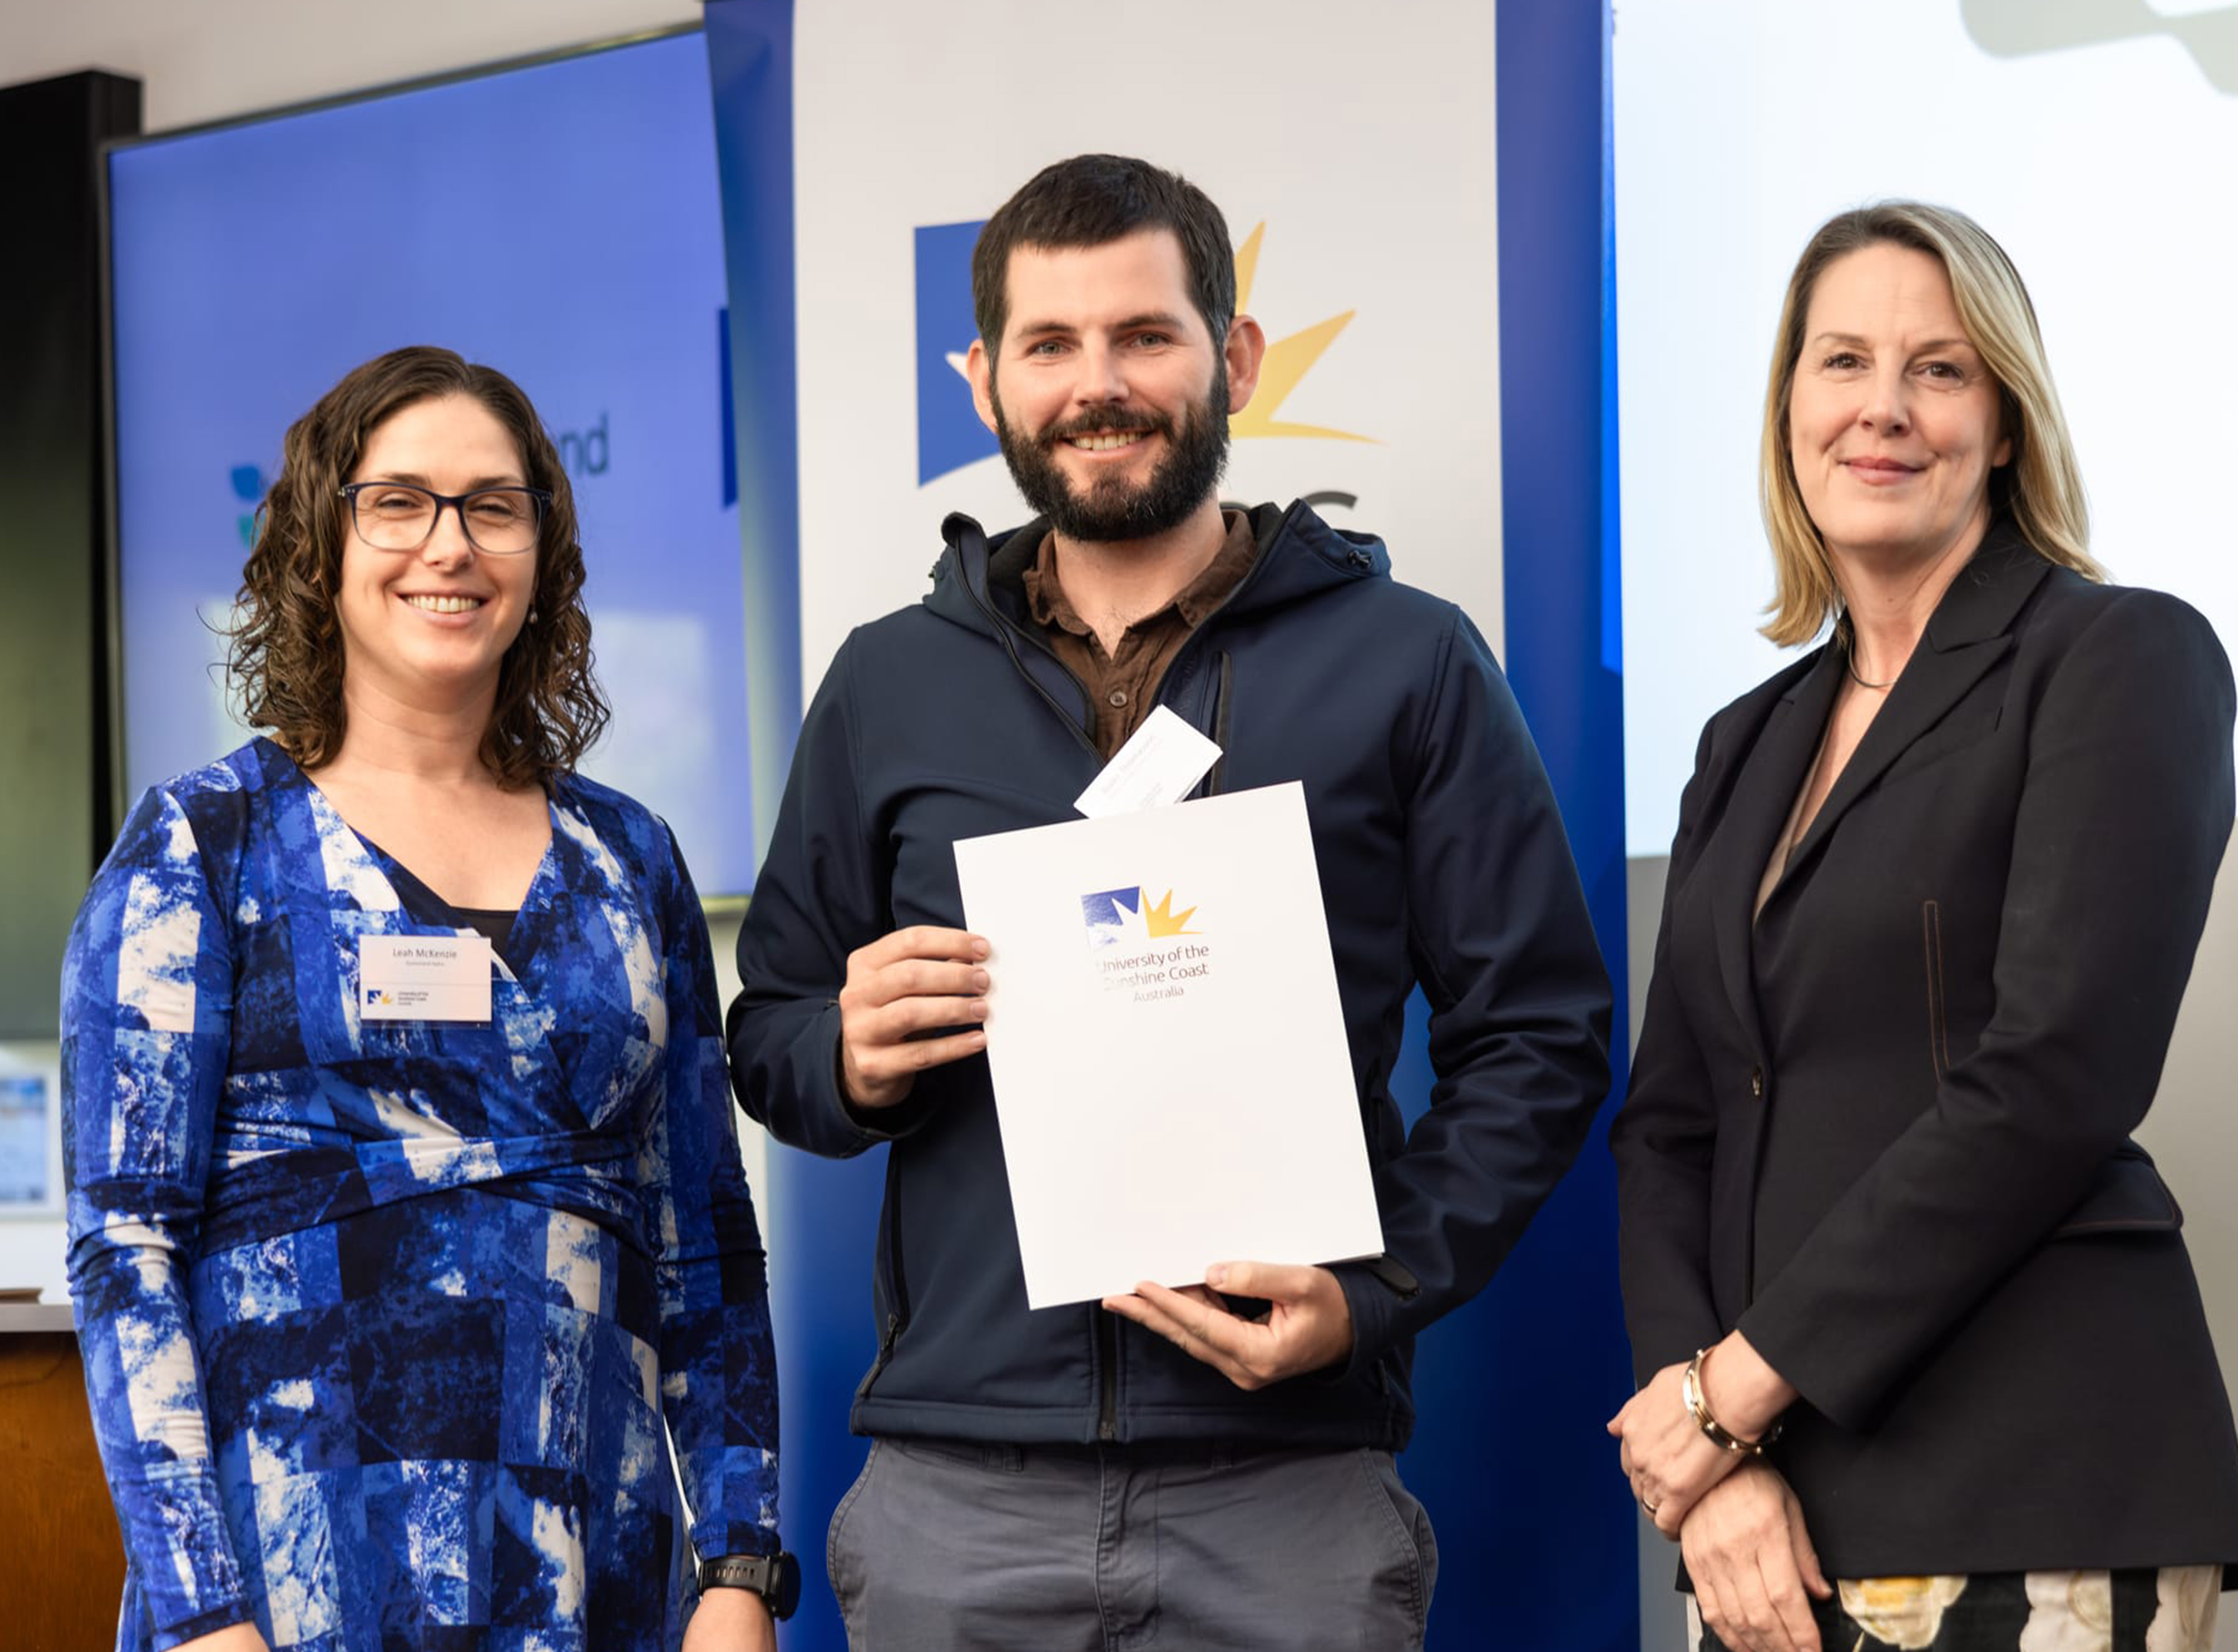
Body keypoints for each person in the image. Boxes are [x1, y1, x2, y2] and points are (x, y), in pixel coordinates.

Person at [728, 153, 1612, 1650]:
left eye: (1145, 336)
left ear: (1235, 358)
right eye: (1050, 345)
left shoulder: (1409, 660)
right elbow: (774, 1031)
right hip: (959, 1488)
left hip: (1289, 1494)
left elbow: (1540, 1032)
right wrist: (847, 1058)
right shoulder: (889, 680)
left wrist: (1378, 1286)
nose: (1100, 385)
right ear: (983, 379)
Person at [62, 347, 792, 1652]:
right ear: (320, 546)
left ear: (542, 555)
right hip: (286, 1579)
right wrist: (199, 1613)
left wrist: (739, 1569)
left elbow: (709, 1248)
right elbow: (127, 1256)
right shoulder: (203, 845)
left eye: (492, 506)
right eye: (398, 501)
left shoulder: (631, 861)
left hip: (591, 1563)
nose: (447, 546)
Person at [1607, 202, 2238, 1652]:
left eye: (1940, 370)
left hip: (2037, 1500)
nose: (1882, 409)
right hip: (1764, 1530)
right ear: (1788, 410)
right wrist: (1711, 1468)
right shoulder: (1742, 741)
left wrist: (1730, 1396)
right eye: (1843, 362)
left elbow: (2057, 1073)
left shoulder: (2121, 658)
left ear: (2006, 424)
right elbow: (1670, 1130)